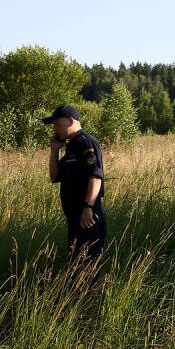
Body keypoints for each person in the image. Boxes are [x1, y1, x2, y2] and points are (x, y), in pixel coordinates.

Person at [43, 104, 107, 261]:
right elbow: (54, 177)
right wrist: (54, 150)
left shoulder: (87, 143)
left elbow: (96, 178)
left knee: (88, 265)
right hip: (75, 217)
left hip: (88, 216)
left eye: (57, 124)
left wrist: (88, 207)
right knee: (76, 263)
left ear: (70, 121)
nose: (55, 129)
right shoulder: (71, 146)